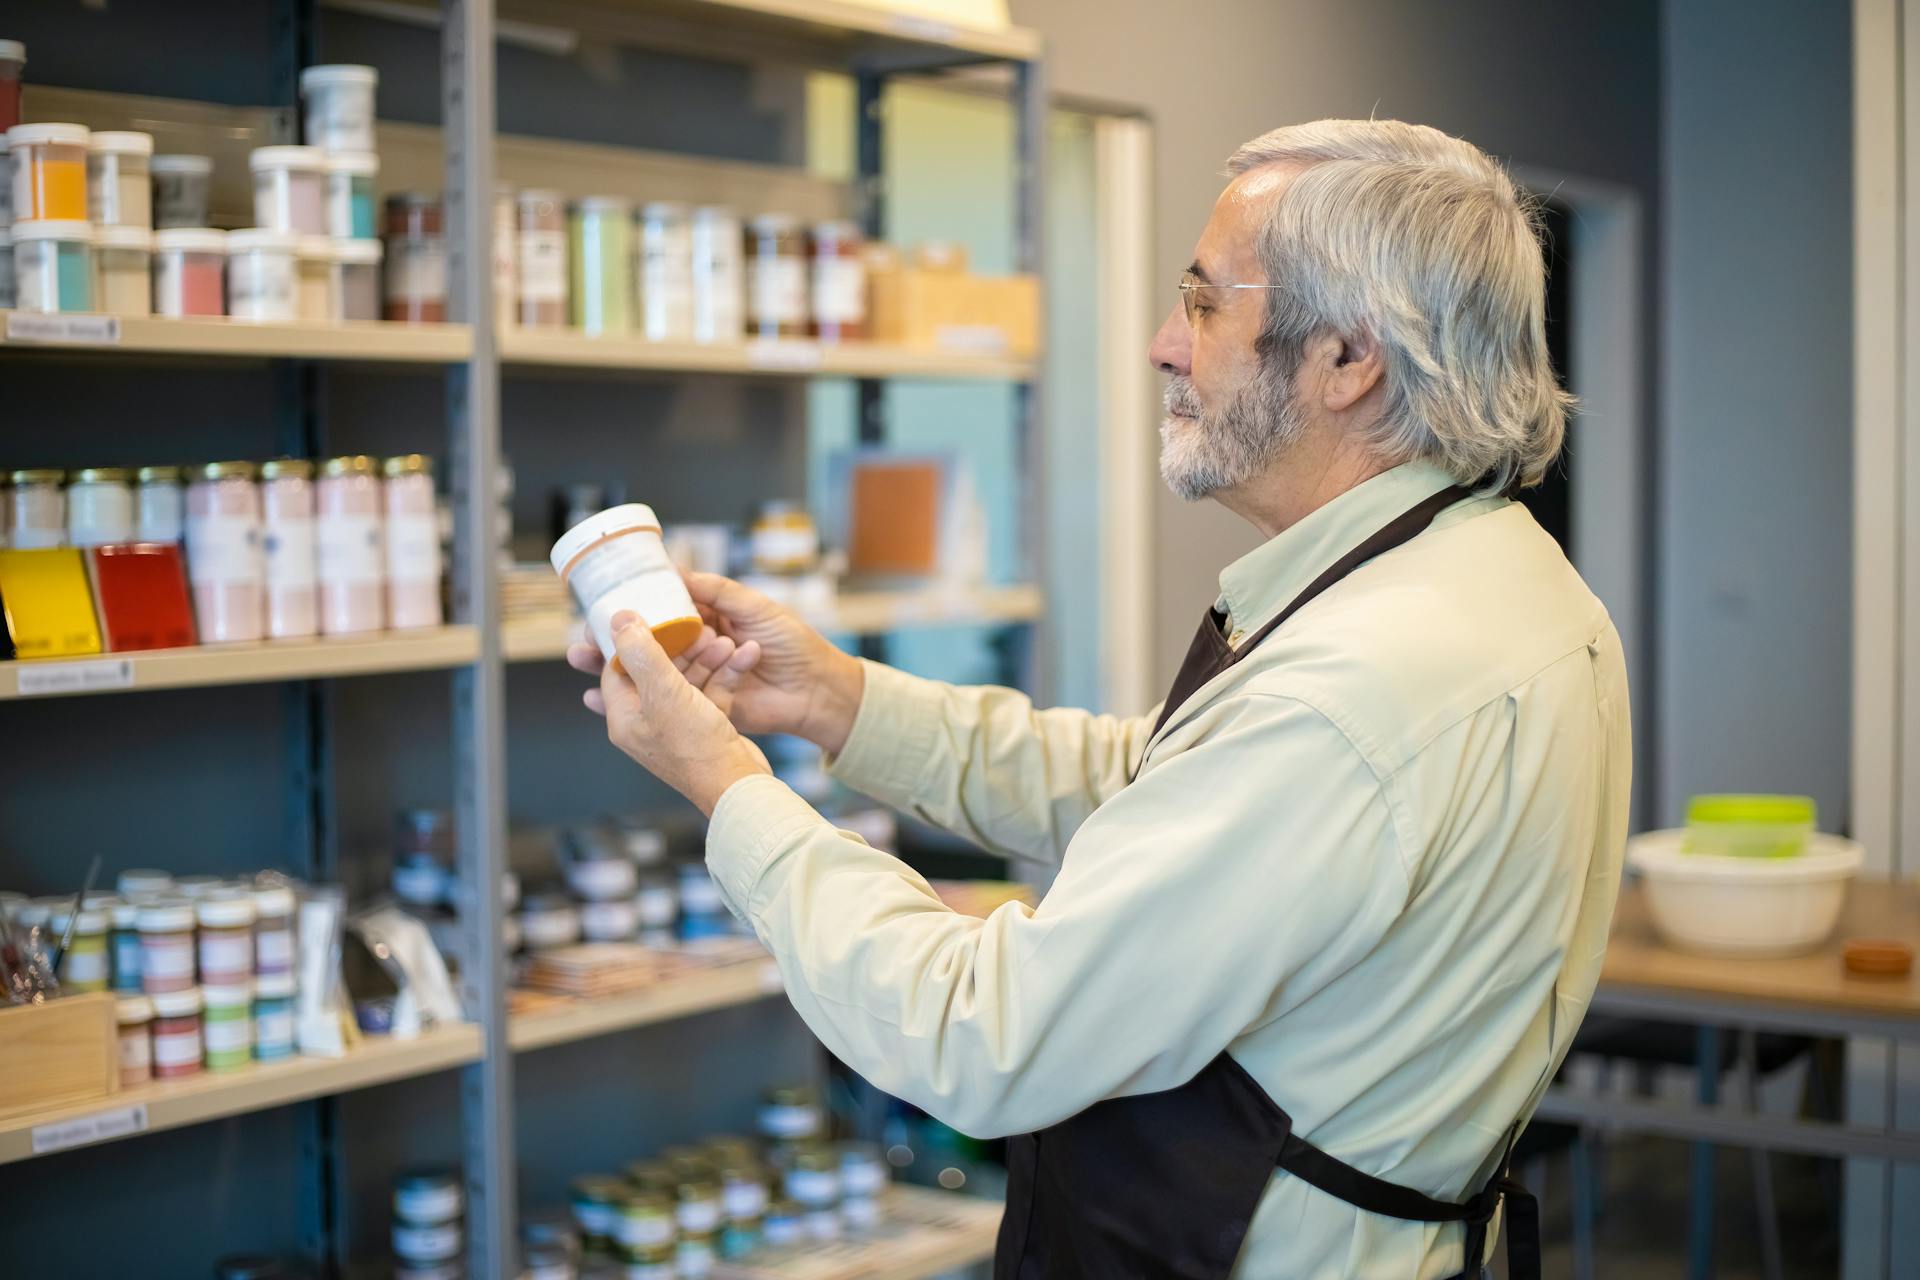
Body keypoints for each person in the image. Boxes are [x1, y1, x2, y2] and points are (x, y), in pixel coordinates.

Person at [568, 119, 1631, 1280]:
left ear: (1346, 358)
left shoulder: (1354, 692)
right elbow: (1169, 788)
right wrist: (837, 699)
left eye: (1205, 301)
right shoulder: (1500, 580)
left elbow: (983, 1033)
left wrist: (723, 786)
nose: (1163, 344)